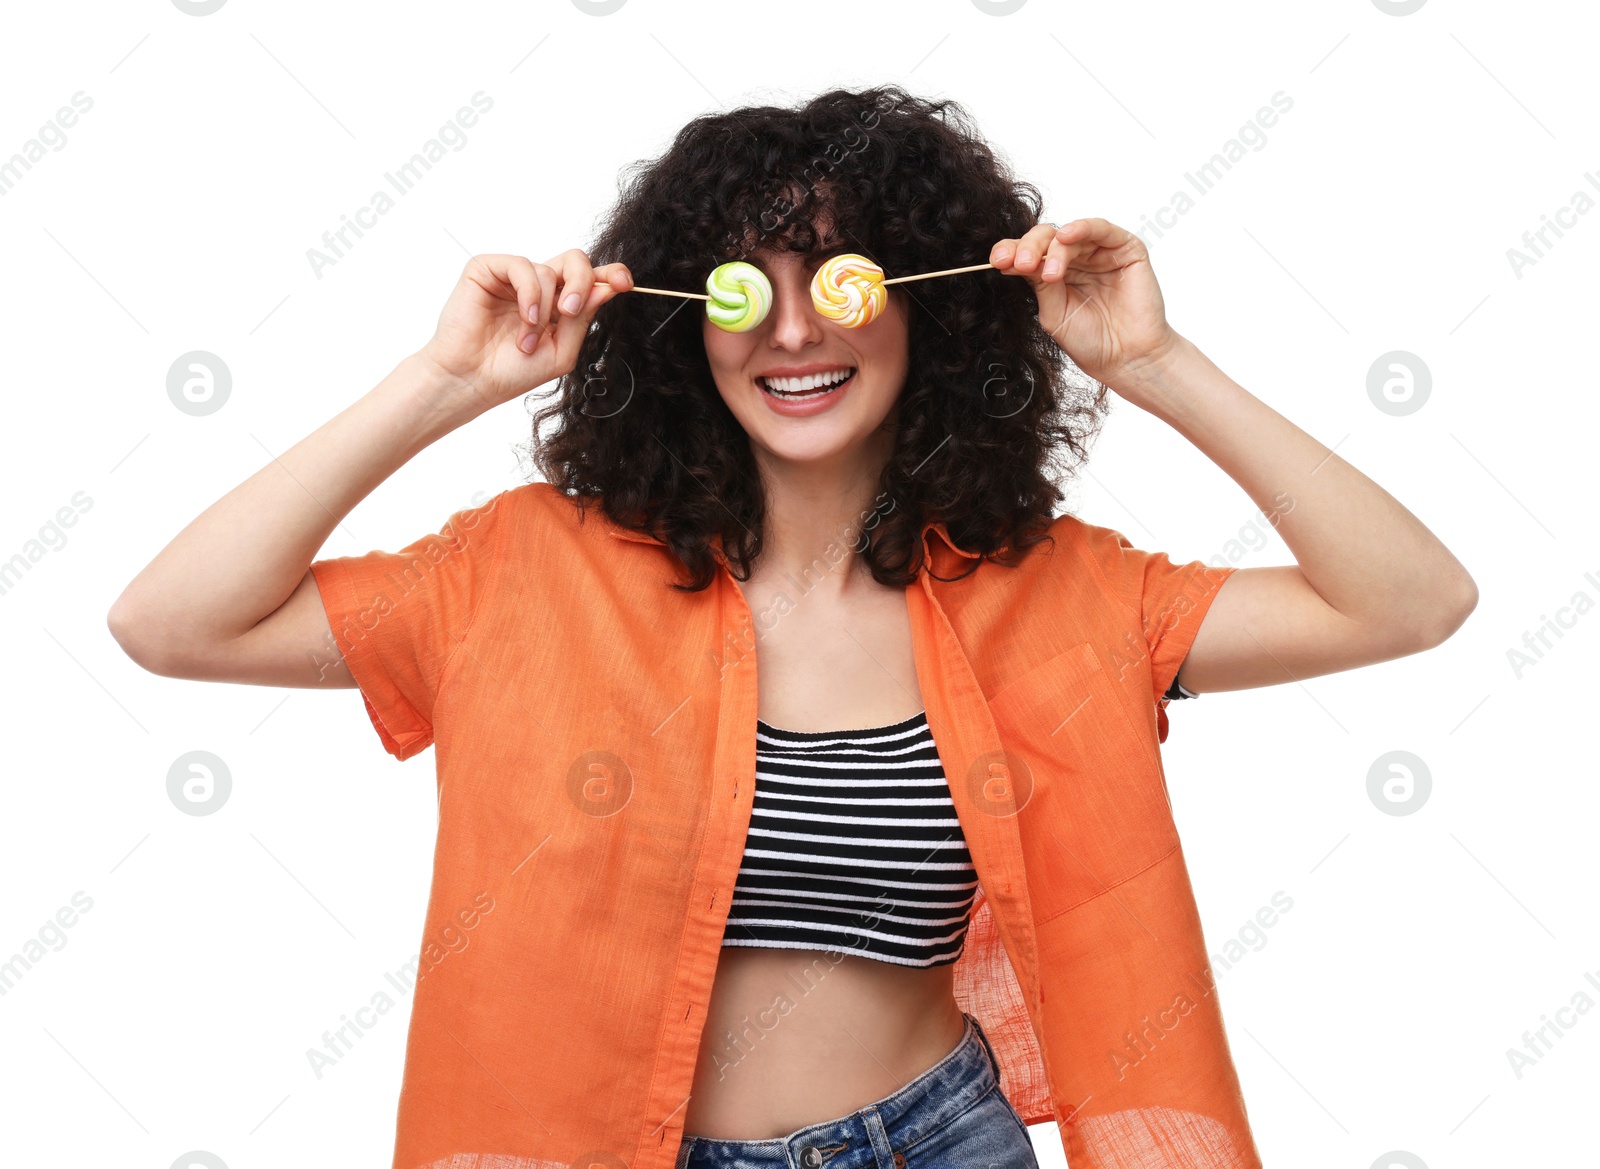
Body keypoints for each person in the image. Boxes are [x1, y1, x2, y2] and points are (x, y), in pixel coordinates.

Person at [107, 86, 1477, 1169]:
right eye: (742, 287)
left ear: (921, 306)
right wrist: (440, 383)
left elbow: (1411, 598)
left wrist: (1151, 364)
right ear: (687, 325)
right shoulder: (524, 570)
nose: (793, 329)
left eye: (842, 277)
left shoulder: (1056, 591)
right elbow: (169, 621)